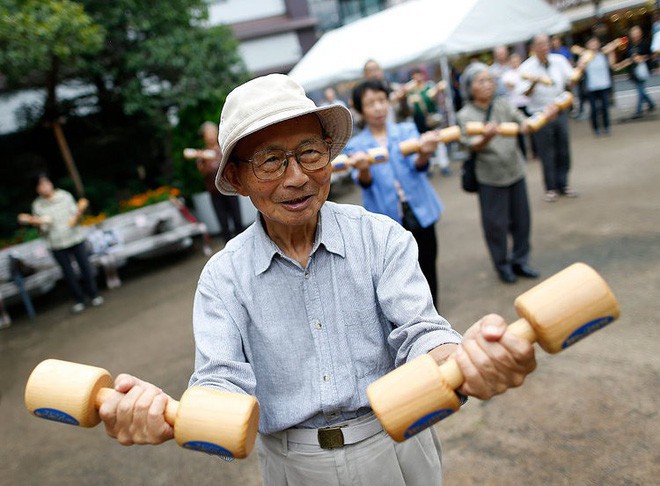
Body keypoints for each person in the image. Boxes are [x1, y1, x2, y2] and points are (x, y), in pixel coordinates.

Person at [97, 74, 537, 486]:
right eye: (270, 161)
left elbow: (420, 331)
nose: (298, 177)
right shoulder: (223, 277)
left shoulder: (379, 237)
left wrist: (463, 361)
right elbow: (220, 380)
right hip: (293, 466)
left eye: (310, 152)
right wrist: (161, 413)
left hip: (397, 443)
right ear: (235, 176)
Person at [346, 78, 444, 308]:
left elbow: (418, 167)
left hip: (419, 209)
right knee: (400, 271)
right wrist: (363, 169)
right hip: (387, 216)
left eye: (381, 100)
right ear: (360, 110)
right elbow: (365, 183)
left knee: (428, 262)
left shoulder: (407, 130)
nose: (378, 107)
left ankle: (434, 313)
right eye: (370, 103)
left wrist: (426, 153)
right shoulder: (357, 145)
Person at [457, 63, 540, 284]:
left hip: (515, 170)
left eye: (490, 80)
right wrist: (486, 137)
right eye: (480, 81)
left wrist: (537, 120)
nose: (487, 85)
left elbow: (523, 123)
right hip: (489, 177)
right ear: (469, 87)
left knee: (522, 221)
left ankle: (521, 260)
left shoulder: (504, 104)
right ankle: (502, 264)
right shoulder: (465, 115)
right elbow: (469, 144)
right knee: (495, 226)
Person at [17, 174, 103, 314]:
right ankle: (79, 300)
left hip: (75, 238)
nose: (44, 187)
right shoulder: (38, 205)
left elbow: (75, 217)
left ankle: (94, 295)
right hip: (56, 243)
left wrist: (78, 213)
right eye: (40, 186)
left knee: (85, 267)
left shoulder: (64, 196)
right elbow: (43, 229)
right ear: (37, 189)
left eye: (46, 183)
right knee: (68, 273)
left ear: (51, 183)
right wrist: (35, 222)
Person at [519, 33, 577, 203]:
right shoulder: (527, 67)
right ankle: (550, 188)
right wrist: (535, 82)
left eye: (546, 43)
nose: (544, 46)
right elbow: (525, 93)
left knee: (563, 148)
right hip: (540, 114)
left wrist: (576, 74)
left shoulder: (559, 60)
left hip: (559, 109)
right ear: (533, 48)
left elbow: (570, 80)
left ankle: (564, 184)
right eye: (540, 44)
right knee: (546, 152)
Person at [195, 121, 244, 243]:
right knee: (223, 223)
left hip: (231, 190)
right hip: (215, 193)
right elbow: (202, 173)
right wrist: (204, 159)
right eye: (207, 133)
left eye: (212, 132)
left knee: (237, 220)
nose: (210, 135)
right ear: (204, 137)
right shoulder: (201, 155)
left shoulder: (224, 149)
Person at [613, 25, 656, 118]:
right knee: (641, 90)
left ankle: (639, 111)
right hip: (633, 71)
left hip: (643, 70)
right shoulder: (629, 45)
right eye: (633, 33)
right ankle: (651, 104)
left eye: (637, 32)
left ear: (640, 33)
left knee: (640, 89)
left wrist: (642, 58)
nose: (635, 35)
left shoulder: (645, 43)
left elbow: (651, 55)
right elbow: (627, 58)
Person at [501, 52, 534, 159]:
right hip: (516, 105)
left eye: (516, 61)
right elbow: (511, 85)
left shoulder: (526, 71)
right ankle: (523, 154)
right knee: (519, 131)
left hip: (527, 103)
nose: (515, 63)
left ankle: (535, 151)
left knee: (532, 128)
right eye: (513, 61)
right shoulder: (507, 75)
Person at [581, 36, 614, 136]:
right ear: (587, 45)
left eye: (595, 42)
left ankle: (606, 127)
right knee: (594, 109)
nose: (594, 45)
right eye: (591, 43)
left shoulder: (603, 55)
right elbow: (580, 70)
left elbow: (611, 65)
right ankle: (596, 129)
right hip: (591, 87)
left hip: (604, 85)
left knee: (605, 107)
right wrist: (582, 63)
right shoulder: (585, 56)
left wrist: (612, 51)